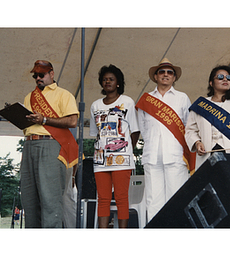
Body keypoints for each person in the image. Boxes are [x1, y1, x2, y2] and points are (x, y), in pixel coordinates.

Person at [20, 60, 79, 228]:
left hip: (51, 145)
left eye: (42, 74)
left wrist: (45, 119)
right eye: (35, 75)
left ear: (51, 74)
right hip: (29, 144)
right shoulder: (29, 97)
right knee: (29, 199)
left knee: (50, 198)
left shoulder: (63, 94)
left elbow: (72, 121)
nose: (38, 78)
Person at [136, 58, 193, 222]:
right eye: (162, 72)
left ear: (174, 77)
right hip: (152, 156)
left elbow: (188, 126)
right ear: (155, 76)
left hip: (175, 156)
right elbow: (144, 129)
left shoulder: (182, 98)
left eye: (170, 72)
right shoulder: (146, 99)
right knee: (153, 201)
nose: (166, 75)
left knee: (177, 199)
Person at [90, 64, 140, 228]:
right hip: (101, 159)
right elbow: (94, 133)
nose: (107, 82)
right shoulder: (95, 105)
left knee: (121, 197)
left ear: (118, 83)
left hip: (122, 158)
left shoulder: (127, 102)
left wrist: (127, 149)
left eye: (111, 79)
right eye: (104, 79)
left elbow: (135, 130)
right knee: (103, 198)